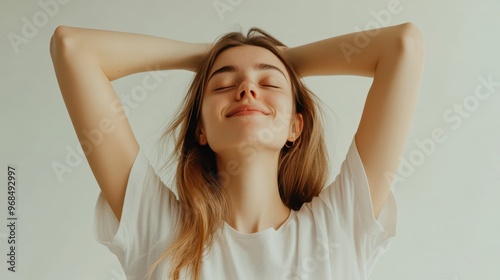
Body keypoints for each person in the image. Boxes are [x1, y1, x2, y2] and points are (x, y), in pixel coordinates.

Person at [49, 22, 425, 280]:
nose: (247, 88)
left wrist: (285, 60)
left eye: (268, 83)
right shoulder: (159, 229)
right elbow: (72, 47)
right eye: (223, 83)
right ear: (200, 129)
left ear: (296, 126)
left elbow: (402, 44)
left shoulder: (339, 227)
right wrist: (208, 56)